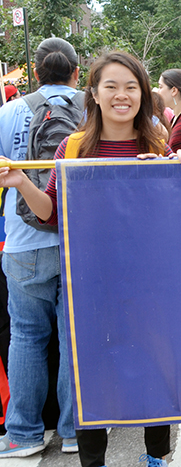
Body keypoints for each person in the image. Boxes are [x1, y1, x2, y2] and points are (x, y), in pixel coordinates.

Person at [0, 51, 181, 467]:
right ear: (93, 91)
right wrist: (19, 182)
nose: (121, 95)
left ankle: (156, 458)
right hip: (90, 284)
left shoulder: (159, 144)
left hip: (149, 283)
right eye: (111, 86)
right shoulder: (73, 146)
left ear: (143, 95)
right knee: (90, 376)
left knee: (153, 370)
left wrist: (180, 169)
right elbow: (51, 214)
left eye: (131, 87)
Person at [0, 38, 80, 458]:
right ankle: (72, 431)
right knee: (71, 337)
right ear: (77, 73)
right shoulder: (92, 107)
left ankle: (24, 434)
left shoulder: (9, 110)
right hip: (77, 238)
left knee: (27, 335)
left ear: (33, 72)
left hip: (24, 240)